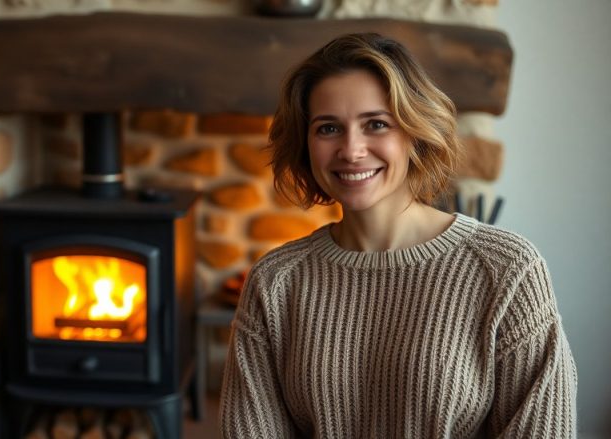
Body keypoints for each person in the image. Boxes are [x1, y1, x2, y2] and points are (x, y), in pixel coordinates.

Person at [219, 33, 577, 438]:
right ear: (306, 144)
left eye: (376, 124)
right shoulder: (275, 281)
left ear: (414, 132)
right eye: (328, 128)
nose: (351, 150)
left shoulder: (507, 270)